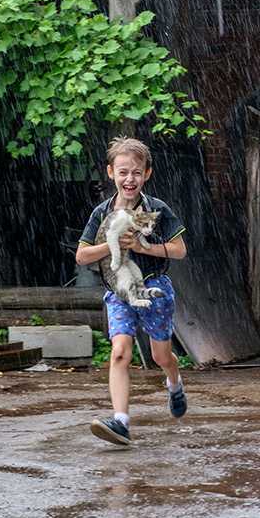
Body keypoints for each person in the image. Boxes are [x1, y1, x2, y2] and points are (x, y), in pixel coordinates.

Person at [75, 136, 188, 446]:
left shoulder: (157, 208)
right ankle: (121, 422)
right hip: (118, 290)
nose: (130, 178)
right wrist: (109, 246)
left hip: (154, 285)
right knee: (120, 351)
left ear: (147, 174)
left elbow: (179, 250)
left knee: (161, 356)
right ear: (111, 173)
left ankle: (174, 384)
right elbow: (82, 256)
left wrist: (141, 246)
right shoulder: (101, 212)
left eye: (136, 172)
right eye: (123, 172)